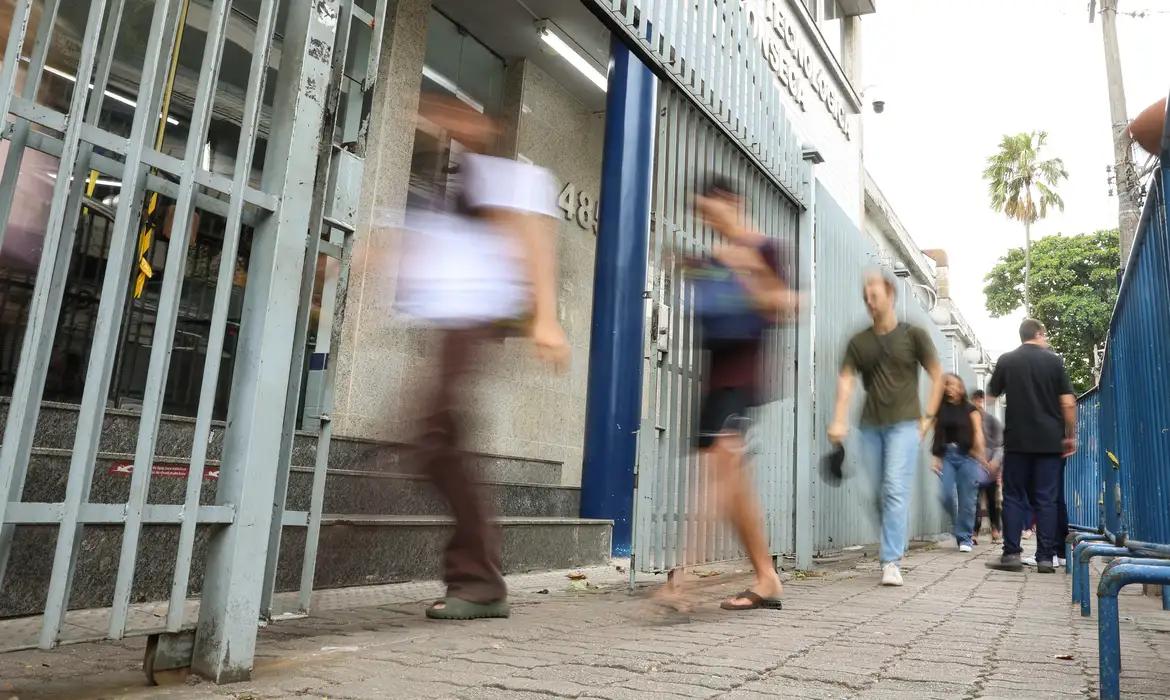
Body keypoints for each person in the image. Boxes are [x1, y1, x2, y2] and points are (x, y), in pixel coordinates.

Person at [393, 93, 569, 619]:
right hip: (455, 321)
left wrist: (546, 318)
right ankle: (478, 578)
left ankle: (480, 581)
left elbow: (532, 236)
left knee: (433, 438)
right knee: (438, 439)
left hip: (472, 320)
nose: (438, 123)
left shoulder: (496, 175)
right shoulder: (451, 183)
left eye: (448, 113)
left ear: (479, 122)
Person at [660, 176, 800, 613]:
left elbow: (785, 304)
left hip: (743, 378)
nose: (706, 218)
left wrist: (747, 268)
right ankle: (767, 578)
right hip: (715, 379)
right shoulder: (711, 257)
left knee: (719, 472)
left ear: (732, 202)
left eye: (709, 209)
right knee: (734, 487)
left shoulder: (765, 249)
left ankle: (680, 582)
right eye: (701, 214)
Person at [829, 270, 944, 587]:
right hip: (870, 428)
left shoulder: (914, 335)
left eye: (874, 293)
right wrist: (839, 418)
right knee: (873, 493)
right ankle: (894, 538)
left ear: (890, 294)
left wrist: (928, 417)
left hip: (905, 425)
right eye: (865, 295)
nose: (869, 299)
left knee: (894, 488)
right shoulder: (859, 342)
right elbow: (846, 382)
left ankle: (890, 560)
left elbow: (938, 374)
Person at [985, 319, 1076, 574]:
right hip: (1050, 441)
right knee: (1046, 499)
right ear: (1038, 333)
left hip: (1018, 440)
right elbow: (1068, 402)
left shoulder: (1007, 360)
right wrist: (1070, 435)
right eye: (1044, 334)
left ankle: (1011, 554)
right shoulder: (1054, 361)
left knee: (1013, 496)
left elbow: (991, 395)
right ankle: (1046, 558)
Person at [931, 374, 988, 553]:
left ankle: (964, 537)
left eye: (954, 385)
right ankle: (958, 524)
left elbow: (978, 433)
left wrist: (981, 456)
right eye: (947, 384)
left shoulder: (971, 410)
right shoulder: (940, 408)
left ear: (961, 388)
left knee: (968, 500)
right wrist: (937, 457)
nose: (950, 388)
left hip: (968, 456)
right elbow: (937, 433)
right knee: (946, 494)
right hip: (947, 455)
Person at [971, 389, 1004, 543]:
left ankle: (995, 529)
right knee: (974, 500)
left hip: (990, 465)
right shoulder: (968, 421)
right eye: (975, 400)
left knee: (992, 500)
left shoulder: (991, 421)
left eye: (980, 400)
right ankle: (974, 531)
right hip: (973, 465)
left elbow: (1000, 445)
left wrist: (994, 462)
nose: (978, 403)